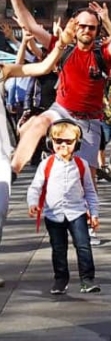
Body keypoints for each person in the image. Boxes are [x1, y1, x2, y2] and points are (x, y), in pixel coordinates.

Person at [9, 0, 111, 180]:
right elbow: (32, 27)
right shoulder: (63, 48)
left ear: (97, 31)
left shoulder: (103, 54)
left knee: (88, 180)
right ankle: (13, 170)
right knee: (39, 122)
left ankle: (88, 201)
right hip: (61, 110)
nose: (86, 30)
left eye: (91, 28)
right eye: (82, 26)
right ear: (74, 27)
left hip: (89, 121)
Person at [0, 32, 70, 289]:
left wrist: (61, 44)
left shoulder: (2, 70)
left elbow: (42, 67)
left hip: (1, 155)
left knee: (0, 209)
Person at [26, 119, 100, 294]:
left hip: (77, 213)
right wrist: (33, 202)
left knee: (83, 245)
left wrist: (94, 213)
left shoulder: (81, 165)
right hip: (54, 214)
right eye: (58, 141)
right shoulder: (47, 164)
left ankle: (87, 279)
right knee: (58, 248)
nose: (63, 145)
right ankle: (60, 279)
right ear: (50, 142)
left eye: (69, 141)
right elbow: (35, 187)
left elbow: (90, 191)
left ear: (77, 143)